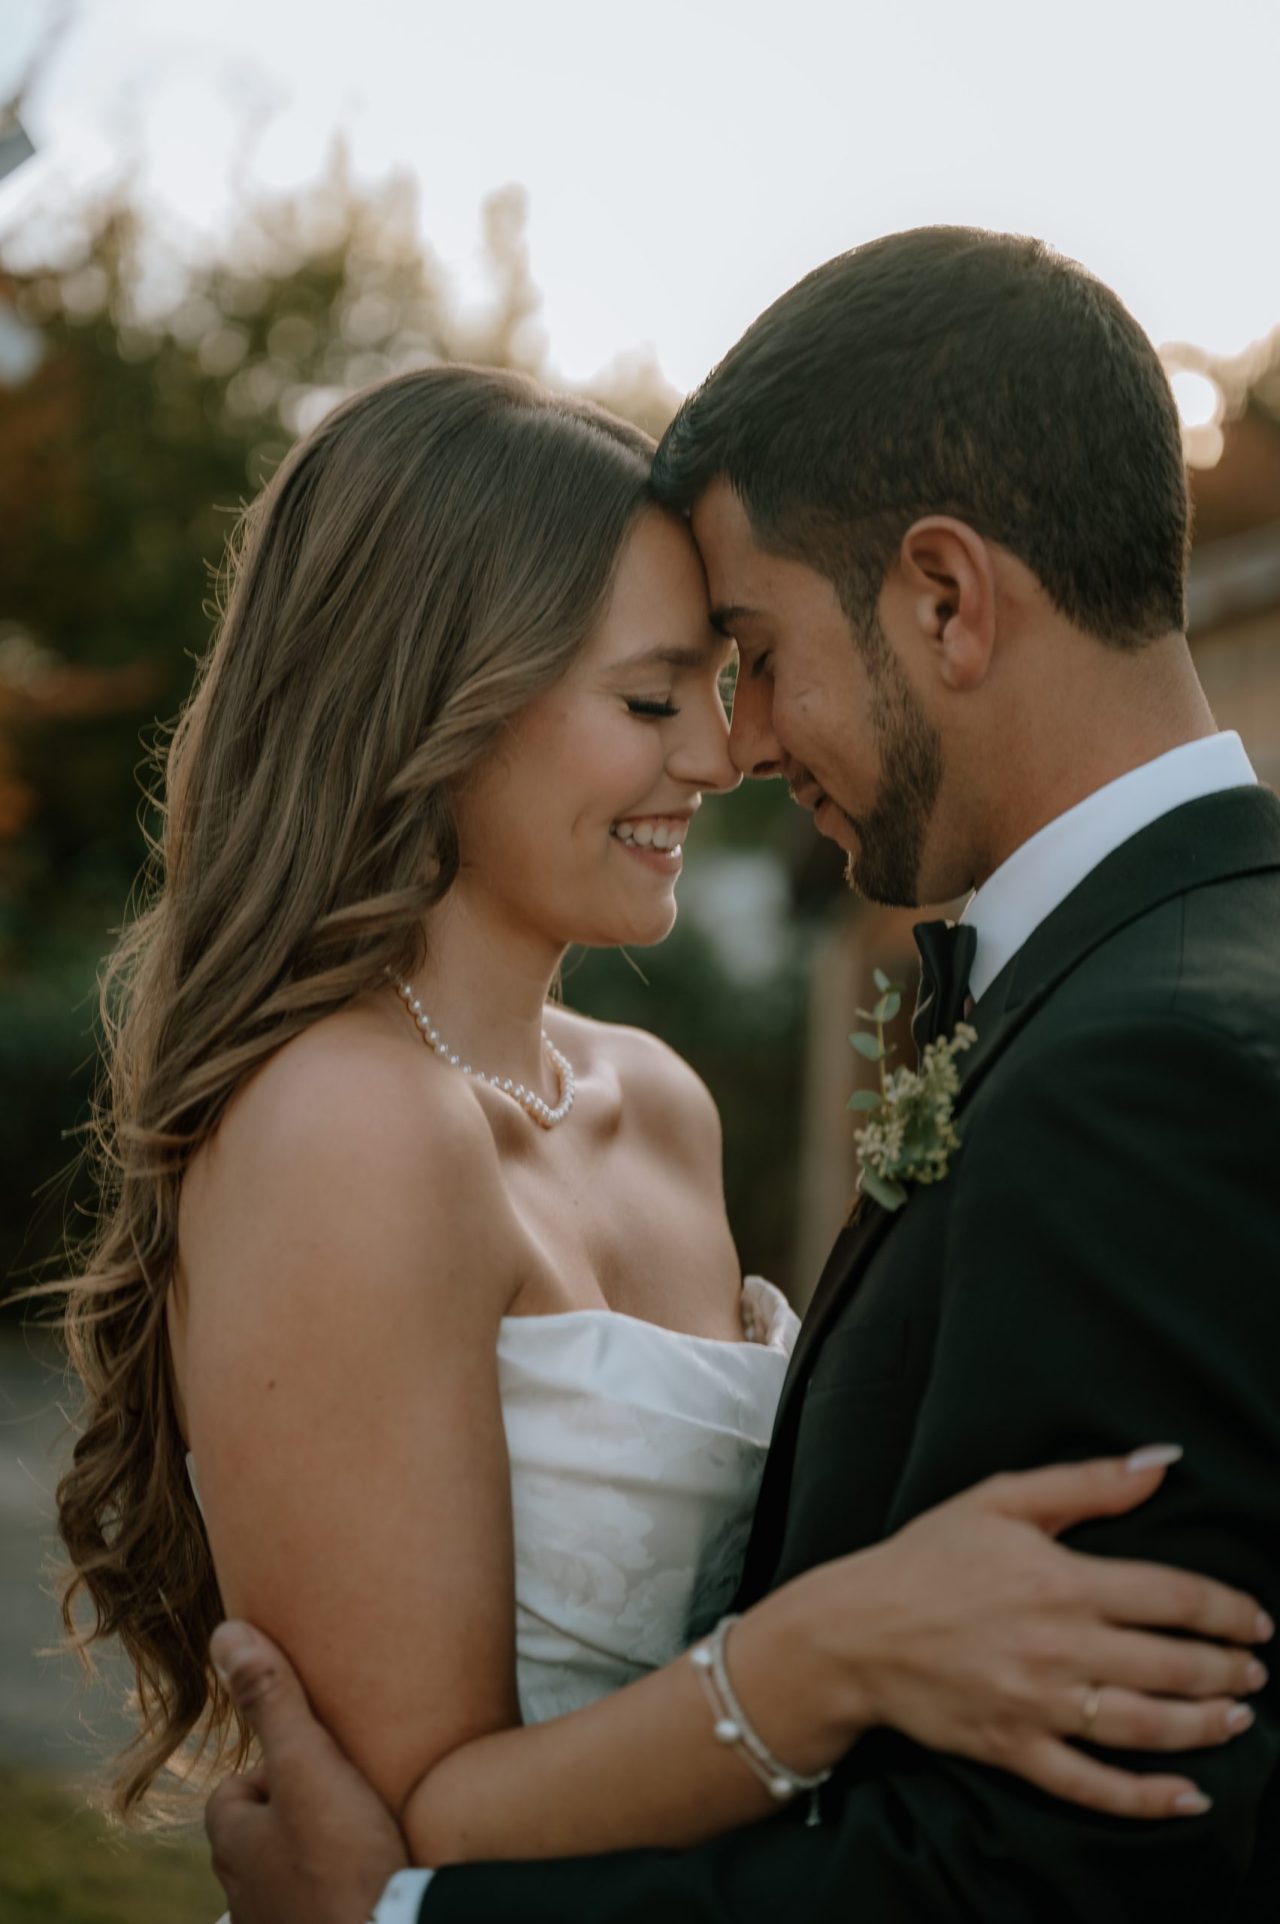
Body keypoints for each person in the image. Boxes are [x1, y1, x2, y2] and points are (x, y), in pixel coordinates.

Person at [200, 228, 1280, 1922]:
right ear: (446, 709)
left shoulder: (1068, 1067)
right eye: (661, 692)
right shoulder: (346, 1128)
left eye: (740, 662)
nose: (730, 747)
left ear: (948, 598)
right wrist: (824, 1657)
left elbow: (1068, 1855)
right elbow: (423, 1784)